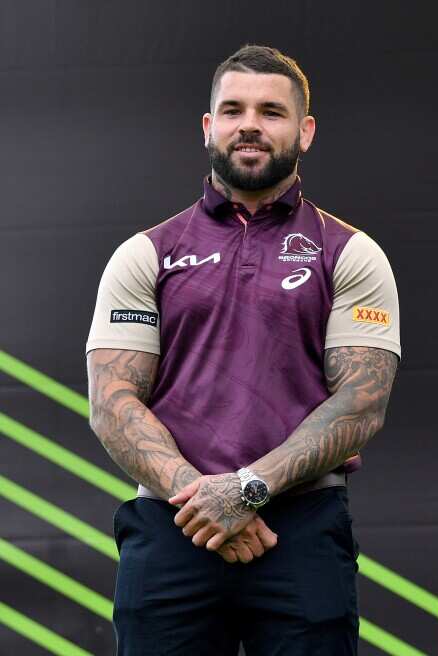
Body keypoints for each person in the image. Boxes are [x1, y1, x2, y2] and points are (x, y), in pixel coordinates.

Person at [85, 44, 401, 655]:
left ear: (304, 131)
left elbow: (362, 404)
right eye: (232, 110)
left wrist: (247, 490)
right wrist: (205, 501)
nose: (249, 124)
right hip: (173, 523)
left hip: (302, 531)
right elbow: (112, 401)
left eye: (271, 112)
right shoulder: (146, 253)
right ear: (209, 127)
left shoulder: (351, 253)